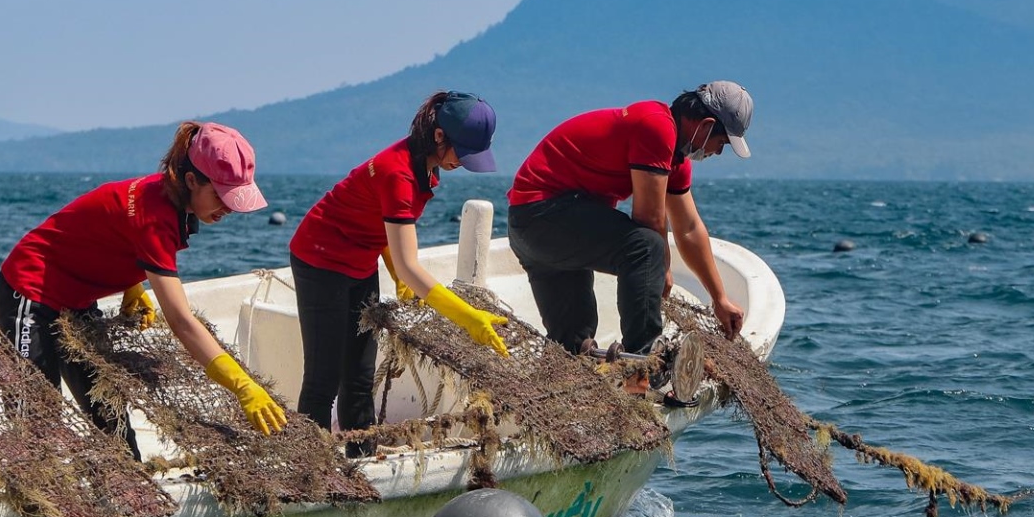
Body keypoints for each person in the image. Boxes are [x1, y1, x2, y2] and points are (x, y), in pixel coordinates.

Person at [0, 122, 286, 450]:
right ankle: (35, 493)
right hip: (29, 291)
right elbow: (182, 322)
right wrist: (243, 386)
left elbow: (108, 229)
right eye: (221, 196)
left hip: (76, 302)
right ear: (192, 180)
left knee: (110, 416)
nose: (229, 208)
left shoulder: (173, 198)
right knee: (36, 422)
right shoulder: (155, 218)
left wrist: (134, 284)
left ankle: (127, 492)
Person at [288, 92, 506, 454]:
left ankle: (362, 460)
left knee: (359, 377)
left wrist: (397, 274)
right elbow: (410, 263)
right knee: (322, 379)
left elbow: (386, 230)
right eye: (463, 153)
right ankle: (310, 467)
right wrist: (468, 318)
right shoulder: (398, 172)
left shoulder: (425, 166)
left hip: (359, 261)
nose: (464, 163)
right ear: (439, 136)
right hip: (319, 260)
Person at [507, 81, 753, 360]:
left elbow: (689, 229)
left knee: (573, 346)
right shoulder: (655, 125)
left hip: (544, 230)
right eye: (721, 143)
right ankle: (641, 365)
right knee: (646, 247)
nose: (717, 153)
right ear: (706, 125)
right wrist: (662, 270)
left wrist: (719, 299)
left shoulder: (676, 160)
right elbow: (649, 217)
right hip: (543, 217)